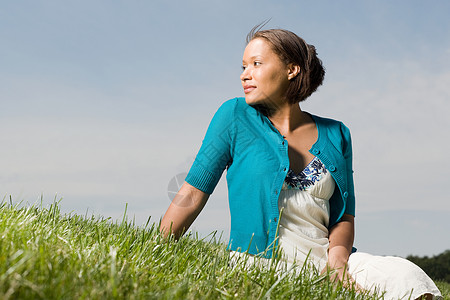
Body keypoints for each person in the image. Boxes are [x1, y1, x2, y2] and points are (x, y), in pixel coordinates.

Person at [160, 25, 442, 300]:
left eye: (256, 64)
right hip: (261, 264)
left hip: (327, 261)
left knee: (405, 277)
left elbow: (343, 215)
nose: (245, 75)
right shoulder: (234, 115)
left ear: (291, 70)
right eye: (243, 67)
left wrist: (337, 266)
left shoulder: (337, 133)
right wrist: (158, 248)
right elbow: (193, 191)